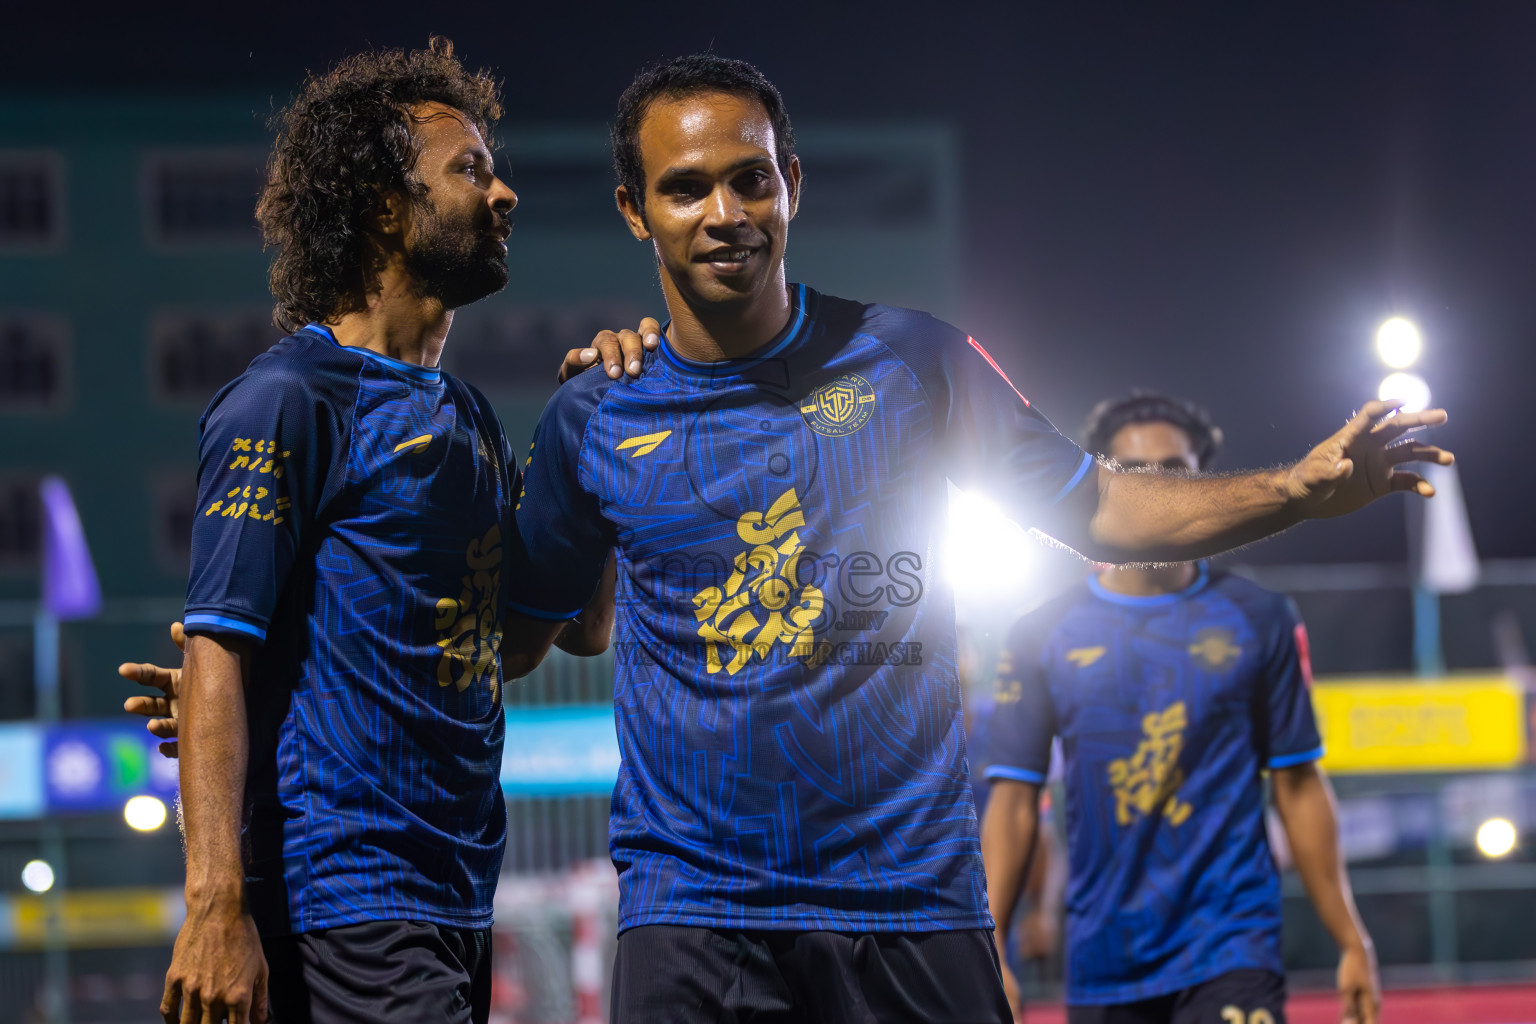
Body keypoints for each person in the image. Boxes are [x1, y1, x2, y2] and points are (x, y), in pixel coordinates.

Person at [499, 55, 1446, 1023]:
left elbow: (1102, 509)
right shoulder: (594, 418)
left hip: (911, 902)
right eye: (685, 187)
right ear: (632, 209)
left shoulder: (915, 359)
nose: (725, 211)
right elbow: (545, 633)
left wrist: (1297, 488)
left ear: (793, 183)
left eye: (752, 177)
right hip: (696, 915)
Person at [136, 39, 656, 1024]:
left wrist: (592, 449)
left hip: (455, 892)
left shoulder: (464, 416)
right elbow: (217, 646)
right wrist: (216, 904)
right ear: (384, 206)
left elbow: (537, 637)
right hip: (342, 891)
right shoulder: (290, 396)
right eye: (469, 171)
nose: (503, 195)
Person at [981, 392, 1381, 1024]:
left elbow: (1300, 783)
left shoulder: (1260, 618)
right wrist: (992, 946)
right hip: (1103, 959)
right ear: (1104, 481)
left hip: (1231, 945)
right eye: (1135, 473)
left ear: (1205, 482)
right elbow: (1014, 801)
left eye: (1177, 471)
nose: (1158, 486)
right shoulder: (1042, 634)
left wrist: (1352, 938)